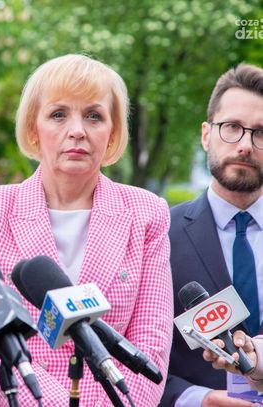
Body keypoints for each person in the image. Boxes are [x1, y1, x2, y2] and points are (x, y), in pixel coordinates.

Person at [0, 54, 173, 406]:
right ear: (33, 128)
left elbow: (151, 342)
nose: (77, 130)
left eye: (94, 116)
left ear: (113, 132)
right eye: (58, 114)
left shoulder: (146, 213)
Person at [160, 63, 263, 407]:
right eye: (232, 127)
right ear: (206, 134)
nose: (245, 145)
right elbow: (137, 352)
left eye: (261, 132)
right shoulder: (160, 234)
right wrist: (197, 399)